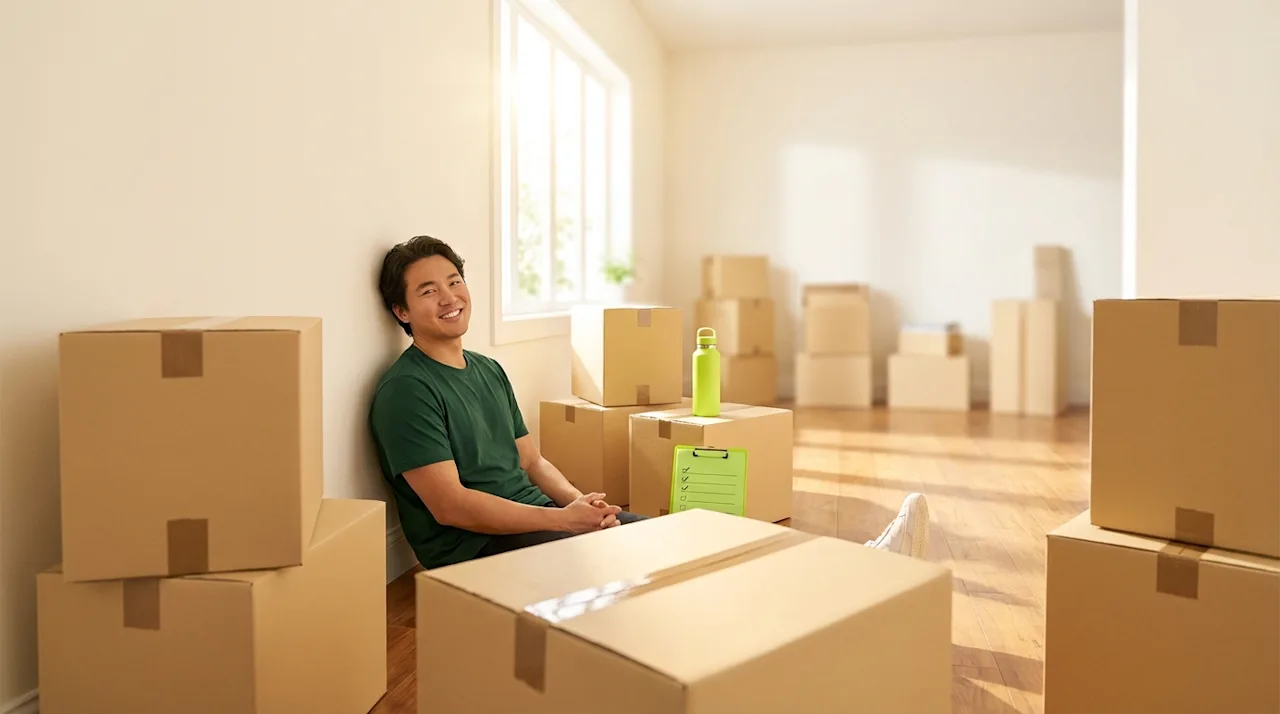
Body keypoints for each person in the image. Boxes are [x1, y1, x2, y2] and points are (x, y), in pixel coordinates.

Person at [368, 235, 930, 571]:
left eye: (454, 280)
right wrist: (564, 522)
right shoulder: (407, 391)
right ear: (401, 311)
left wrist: (582, 504)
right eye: (428, 290)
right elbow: (452, 508)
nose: (449, 297)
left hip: (539, 521)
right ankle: (854, 578)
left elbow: (531, 463)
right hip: (479, 551)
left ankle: (858, 566)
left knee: (692, 535)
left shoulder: (488, 370)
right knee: (661, 563)